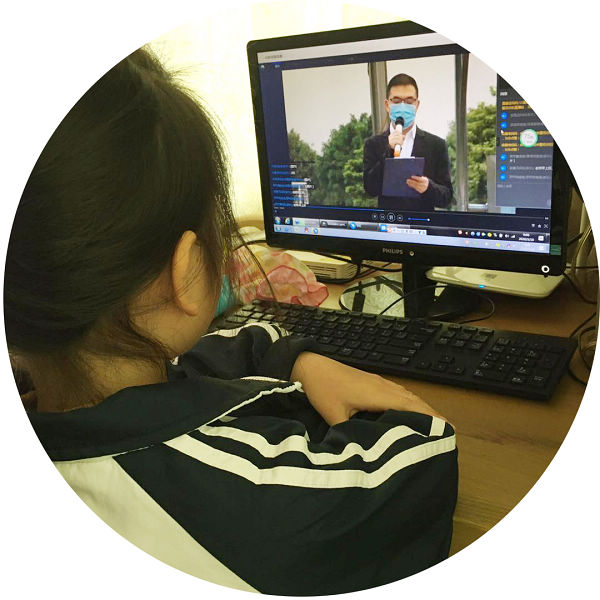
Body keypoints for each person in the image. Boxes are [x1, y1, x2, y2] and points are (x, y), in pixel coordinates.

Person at [4, 48, 458, 596]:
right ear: (185, 272)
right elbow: (428, 450)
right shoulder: (270, 504)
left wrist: (299, 359)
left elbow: (217, 349)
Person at [363, 73, 453, 211]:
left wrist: (428, 187)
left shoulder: (436, 145)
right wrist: (388, 151)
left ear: (417, 105)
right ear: (387, 105)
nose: (403, 106)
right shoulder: (373, 144)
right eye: (396, 101)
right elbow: (370, 189)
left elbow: (447, 197)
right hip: (389, 221)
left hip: (423, 222)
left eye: (409, 101)